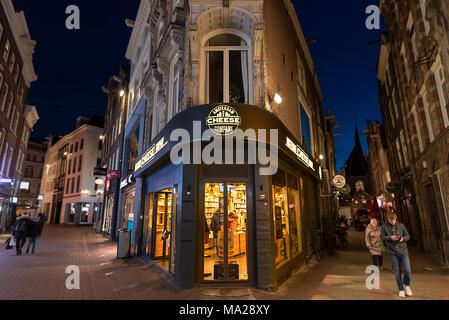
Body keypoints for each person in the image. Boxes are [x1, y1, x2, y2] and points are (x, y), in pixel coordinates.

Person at [381, 212, 412, 298]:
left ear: (396, 218)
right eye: (391, 220)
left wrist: (402, 238)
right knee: (397, 271)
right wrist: (390, 237)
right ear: (388, 219)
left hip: (403, 251)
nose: (393, 222)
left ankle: (407, 285)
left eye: (394, 220)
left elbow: (407, 236)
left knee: (407, 270)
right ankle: (401, 289)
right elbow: (382, 237)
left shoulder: (401, 226)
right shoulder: (384, 227)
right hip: (392, 252)